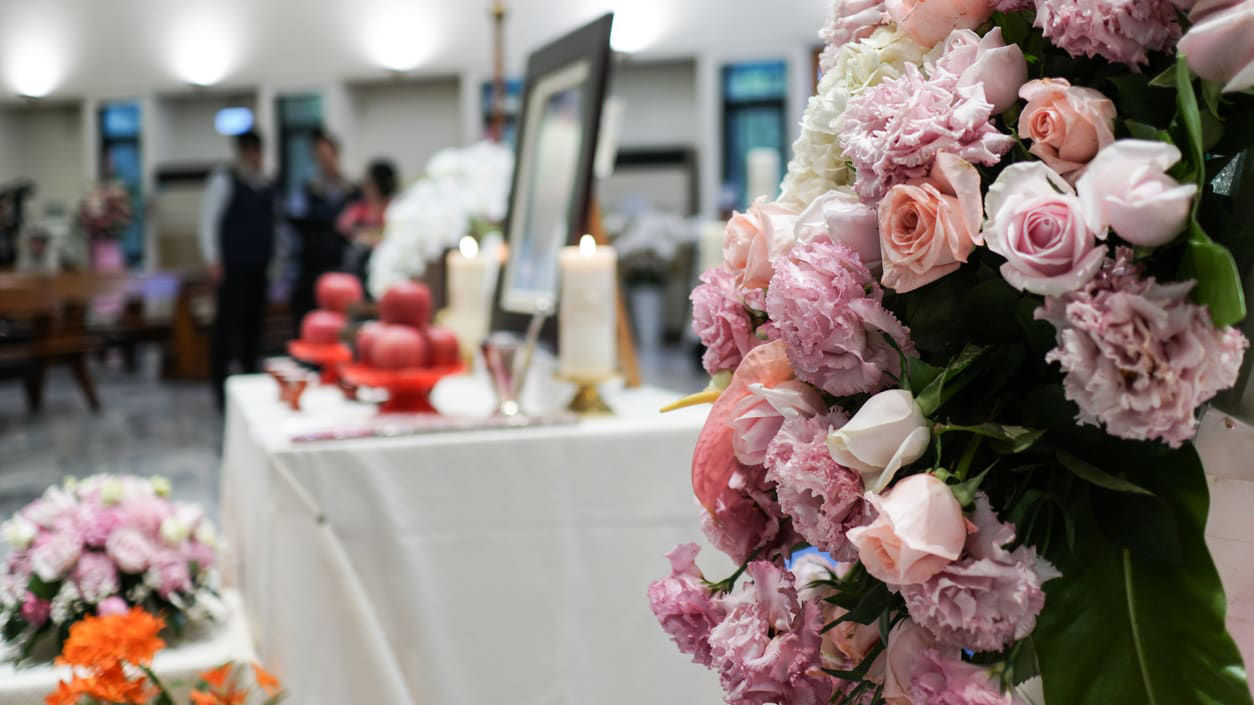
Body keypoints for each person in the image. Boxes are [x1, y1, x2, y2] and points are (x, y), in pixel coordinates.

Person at [199, 130, 276, 410]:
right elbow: (209, 220)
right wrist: (213, 259)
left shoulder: (264, 183)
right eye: (251, 151)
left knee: (253, 328)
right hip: (232, 267)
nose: (255, 157)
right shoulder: (225, 179)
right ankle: (221, 389)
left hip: (258, 265)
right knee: (227, 328)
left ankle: (250, 382)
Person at [287, 128, 354, 326]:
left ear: (336, 155)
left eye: (326, 155)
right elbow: (294, 220)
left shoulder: (351, 190)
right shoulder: (307, 190)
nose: (323, 161)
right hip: (312, 268)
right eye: (318, 157)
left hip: (341, 265)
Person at [337, 159, 398, 289]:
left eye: (369, 182)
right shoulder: (361, 206)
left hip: (384, 262)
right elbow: (342, 225)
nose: (365, 186)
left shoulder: (394, 207)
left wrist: (367, 235)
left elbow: (393, 232)